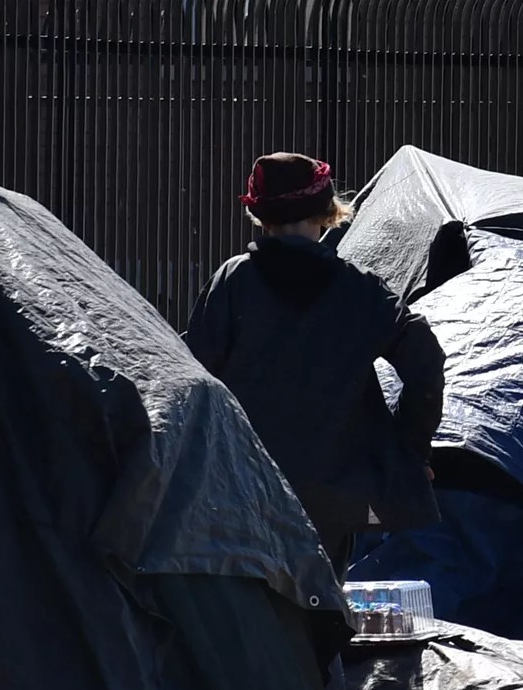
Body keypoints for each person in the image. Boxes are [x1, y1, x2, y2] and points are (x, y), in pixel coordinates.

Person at [187, 152, 443, 565]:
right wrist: (411, 450)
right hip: (335, 490)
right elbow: (426, 363)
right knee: (324, 612)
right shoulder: (362, 292)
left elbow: (194, 374)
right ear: (328, 213)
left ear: (260, 215)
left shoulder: (233, 281)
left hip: (240, 483)